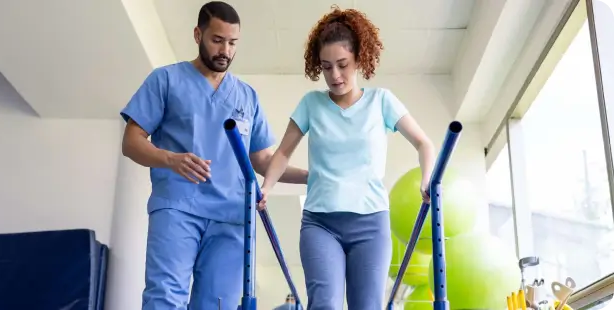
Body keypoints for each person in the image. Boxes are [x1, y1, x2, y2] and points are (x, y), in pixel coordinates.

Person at [119, 2, 308, 309]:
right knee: (165, 298)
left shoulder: (247, 96)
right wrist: (171, 159)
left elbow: (262, 162)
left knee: (218, 304)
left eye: (233, 43)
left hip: (232, 217)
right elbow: (131, 142)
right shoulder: (165, 80)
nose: (225, 51)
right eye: (217, 40)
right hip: (178, 207)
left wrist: (311, 177)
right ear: (198, 34)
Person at [257, 6, 436, 310]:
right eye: (326, 67)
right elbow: (283, 152)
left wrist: (427, 180)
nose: (335, 75)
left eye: (342, 64)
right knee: (324, 305)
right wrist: (267, 187)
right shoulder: (311, 104)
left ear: (359, 59)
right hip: (320, 223)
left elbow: (424, 143)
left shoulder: (382, 101)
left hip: (371, 224)